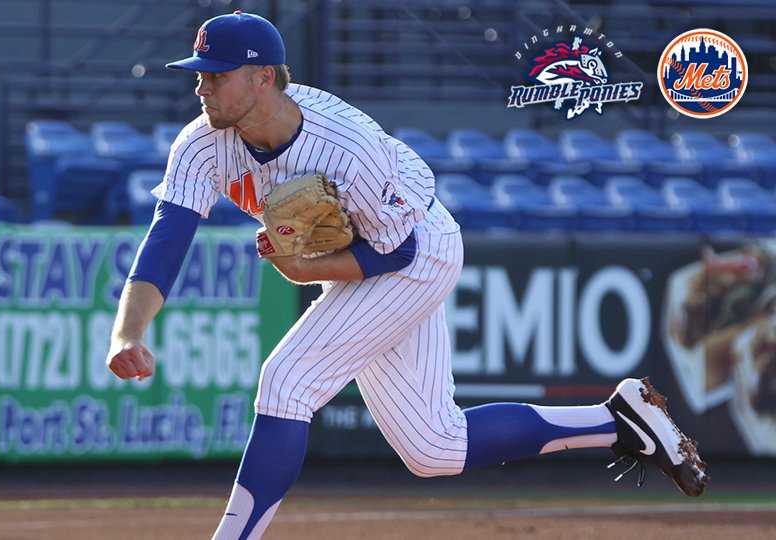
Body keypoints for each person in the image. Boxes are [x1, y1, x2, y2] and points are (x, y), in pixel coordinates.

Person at [106, 11, 709, 539]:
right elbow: (167, 241)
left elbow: (396, 255)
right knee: (434, 448)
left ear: (263, 77)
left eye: (217, 74)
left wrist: (302, 267)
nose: (202, 86)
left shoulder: (346, 145)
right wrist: (127, 333)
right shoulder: (200, 143)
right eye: (200, 73)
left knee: (287, 380)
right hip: (362, 259)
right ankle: (619, 420)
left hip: (417, 252)